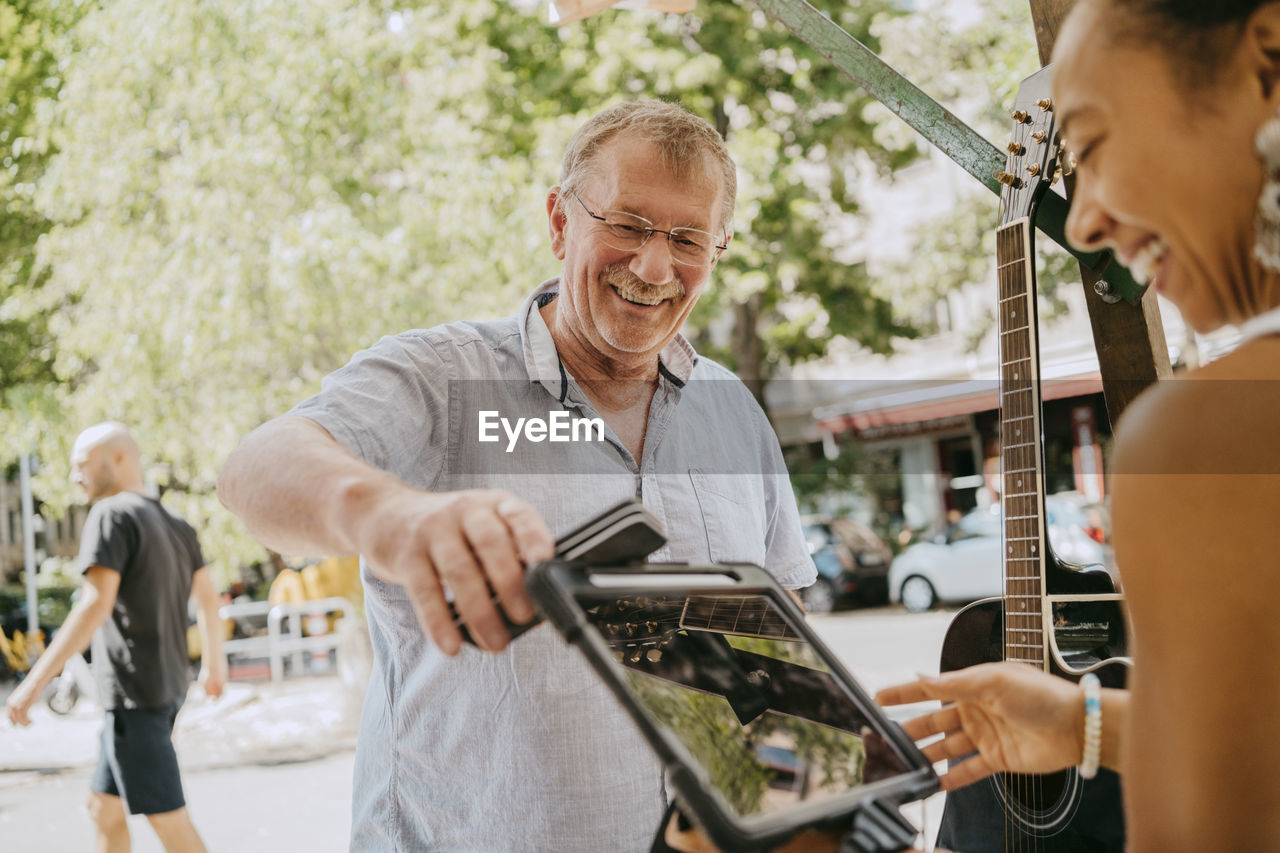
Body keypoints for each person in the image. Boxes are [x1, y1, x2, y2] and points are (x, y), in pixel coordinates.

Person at [674, 0, 1280, 850]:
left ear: (1268, 59)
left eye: (1096, 149)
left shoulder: (1204, 443)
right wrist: (1085, 726)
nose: (1091, 219)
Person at [216, 100, 814, 852]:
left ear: (717, 250)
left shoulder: (735, 412)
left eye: (688, 239)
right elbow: (254, 468)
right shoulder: (441, 376)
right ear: (562, 221)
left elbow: (781, 645)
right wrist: (390, 517)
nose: (655, 267)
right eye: (627, 225)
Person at [5, 422, 227, 853]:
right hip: (164, 689)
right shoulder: (174, 521)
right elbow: (208, 596)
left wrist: (33, 685)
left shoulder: (112, 513)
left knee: (170, 822)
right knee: (103, 807)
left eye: (82, 464)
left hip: (134, 697)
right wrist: (215, 666)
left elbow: (93, 606)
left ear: (119, 458)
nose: (75, 477)